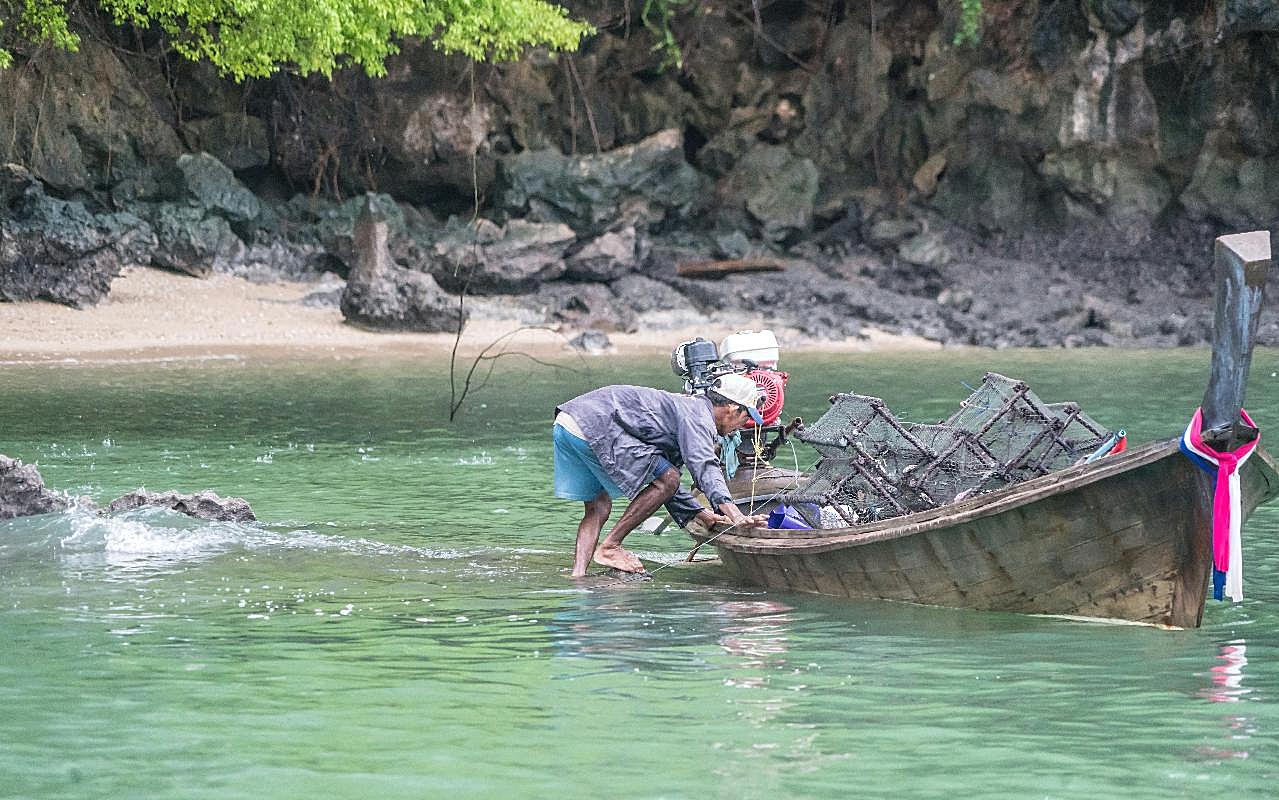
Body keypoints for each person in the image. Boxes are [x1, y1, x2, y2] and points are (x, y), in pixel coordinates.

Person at [553, 374, 766, 576]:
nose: (740, 428)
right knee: (669, 478)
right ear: (732, 409)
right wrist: (735, 514)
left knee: (598, 507)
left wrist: (702, 514)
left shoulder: (687, 408)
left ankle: (578, 576)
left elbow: (666, 489)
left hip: (568, 422)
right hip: (596, 422)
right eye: (745, 417)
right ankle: (610, 547)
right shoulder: (698, 417)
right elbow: (704, 467)